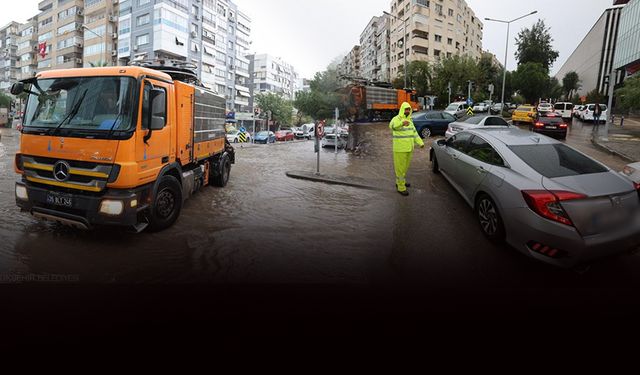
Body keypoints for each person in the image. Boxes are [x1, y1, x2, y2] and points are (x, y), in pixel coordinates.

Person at [389, 102, 424, 196]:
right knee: (400, 168)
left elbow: (414, 133)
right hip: (399, 149)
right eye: (406, 109)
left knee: (404, 168)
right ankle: (401, 188)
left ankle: (400, 182)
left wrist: (420, 143)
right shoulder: (396, 119)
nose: (407, 111)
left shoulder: (410, 121)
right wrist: (401, 124)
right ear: (402, 110)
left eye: (409, 109)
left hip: (409, 149)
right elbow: (391, 126)